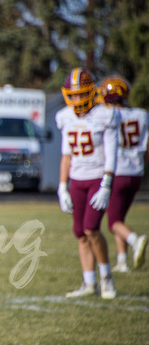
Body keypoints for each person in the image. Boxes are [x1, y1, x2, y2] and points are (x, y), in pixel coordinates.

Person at [56, 67, 120, 299]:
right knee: (79, 233)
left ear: (91, 92)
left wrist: (106, 183)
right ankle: (88, 282)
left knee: (91, 228)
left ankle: (106, 277)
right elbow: (66, 156)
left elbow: (112, 153)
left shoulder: (105, 115)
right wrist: (62, 187)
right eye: (73, 95)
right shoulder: (65, 117)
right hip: (77, 180)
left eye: (82, 93)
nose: (77, 99)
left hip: (96, 179)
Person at [97, 75, 148, 272]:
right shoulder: (142, 115)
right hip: (136, 172)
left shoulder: (108, 115)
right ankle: (122, 261)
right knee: (119, 218)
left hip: (117, 171)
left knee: (113, 222)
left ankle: (136, 240)